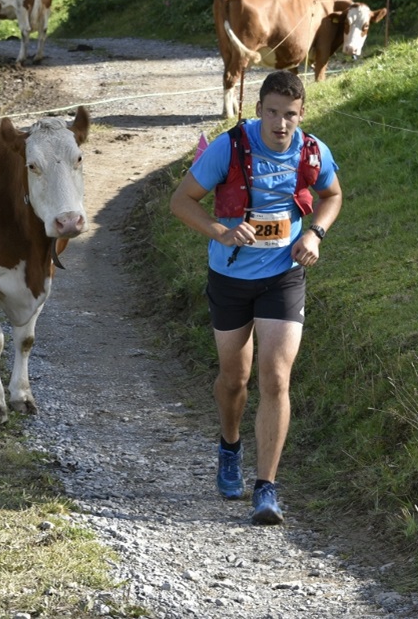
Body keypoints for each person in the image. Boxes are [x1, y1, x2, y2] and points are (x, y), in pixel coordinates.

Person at [169, 70, 342, 525]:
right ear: (259, 109)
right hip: (230, 277)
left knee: (277, 378)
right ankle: (230, 447)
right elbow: (181, 201)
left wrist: (315, 234)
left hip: (283, 276)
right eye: (272, 113)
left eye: (290, 115)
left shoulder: (311, 151)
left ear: (302, 114)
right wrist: (220, 231)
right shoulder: (229, 147)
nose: (281, 124)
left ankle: (266, 488)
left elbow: (332, 195)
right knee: (234, 379)